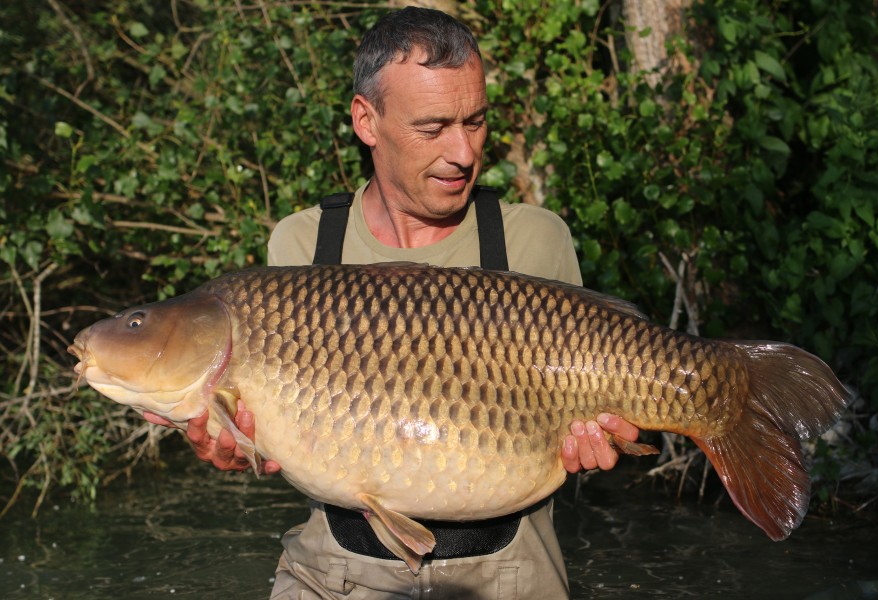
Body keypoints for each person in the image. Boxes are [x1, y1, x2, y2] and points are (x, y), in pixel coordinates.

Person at [145, 7, 640, 599]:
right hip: (336, 578)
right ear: (367, 120)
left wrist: (596, 437)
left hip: (508, 579)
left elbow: (587, 418)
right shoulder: (301, 244)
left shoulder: (534, 239)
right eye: (433, 128)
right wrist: (228, 445)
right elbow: (276, 434)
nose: (463, 151)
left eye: (476, 122)